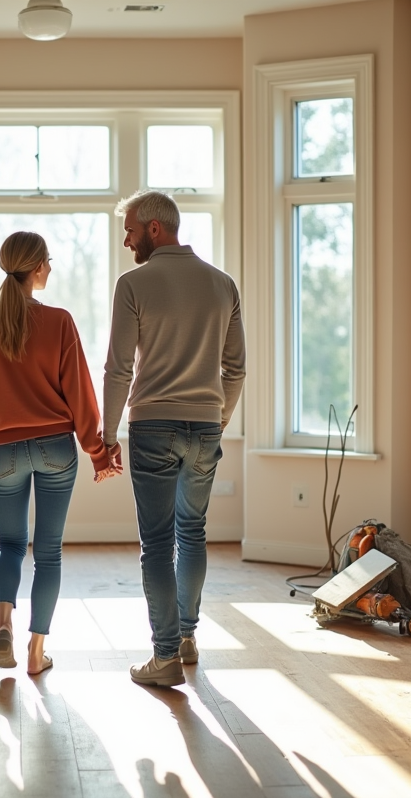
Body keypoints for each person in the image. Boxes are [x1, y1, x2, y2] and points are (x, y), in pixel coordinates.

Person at [103, 190, 245, 688]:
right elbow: (236, 368)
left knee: (158, 544)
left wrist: (106, 431)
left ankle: (164, 657)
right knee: (193, 532)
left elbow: (119, 368)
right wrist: (218, 417)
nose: (127, 240)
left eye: (131, 230)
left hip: (153, 427)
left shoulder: (133, 284)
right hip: (205, 427)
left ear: (155, 229)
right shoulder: (222, 284)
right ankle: (186, 636)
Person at [0, 231, 118, 676]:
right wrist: (97, 452)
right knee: (47, 552)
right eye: (47, 261)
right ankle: (35, 652)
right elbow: (80, 394)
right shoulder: (61, 322)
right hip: (55, 448)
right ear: (36, 269)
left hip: (3, 452)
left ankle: (4, 623)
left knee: (9, 544)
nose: (50, 268)